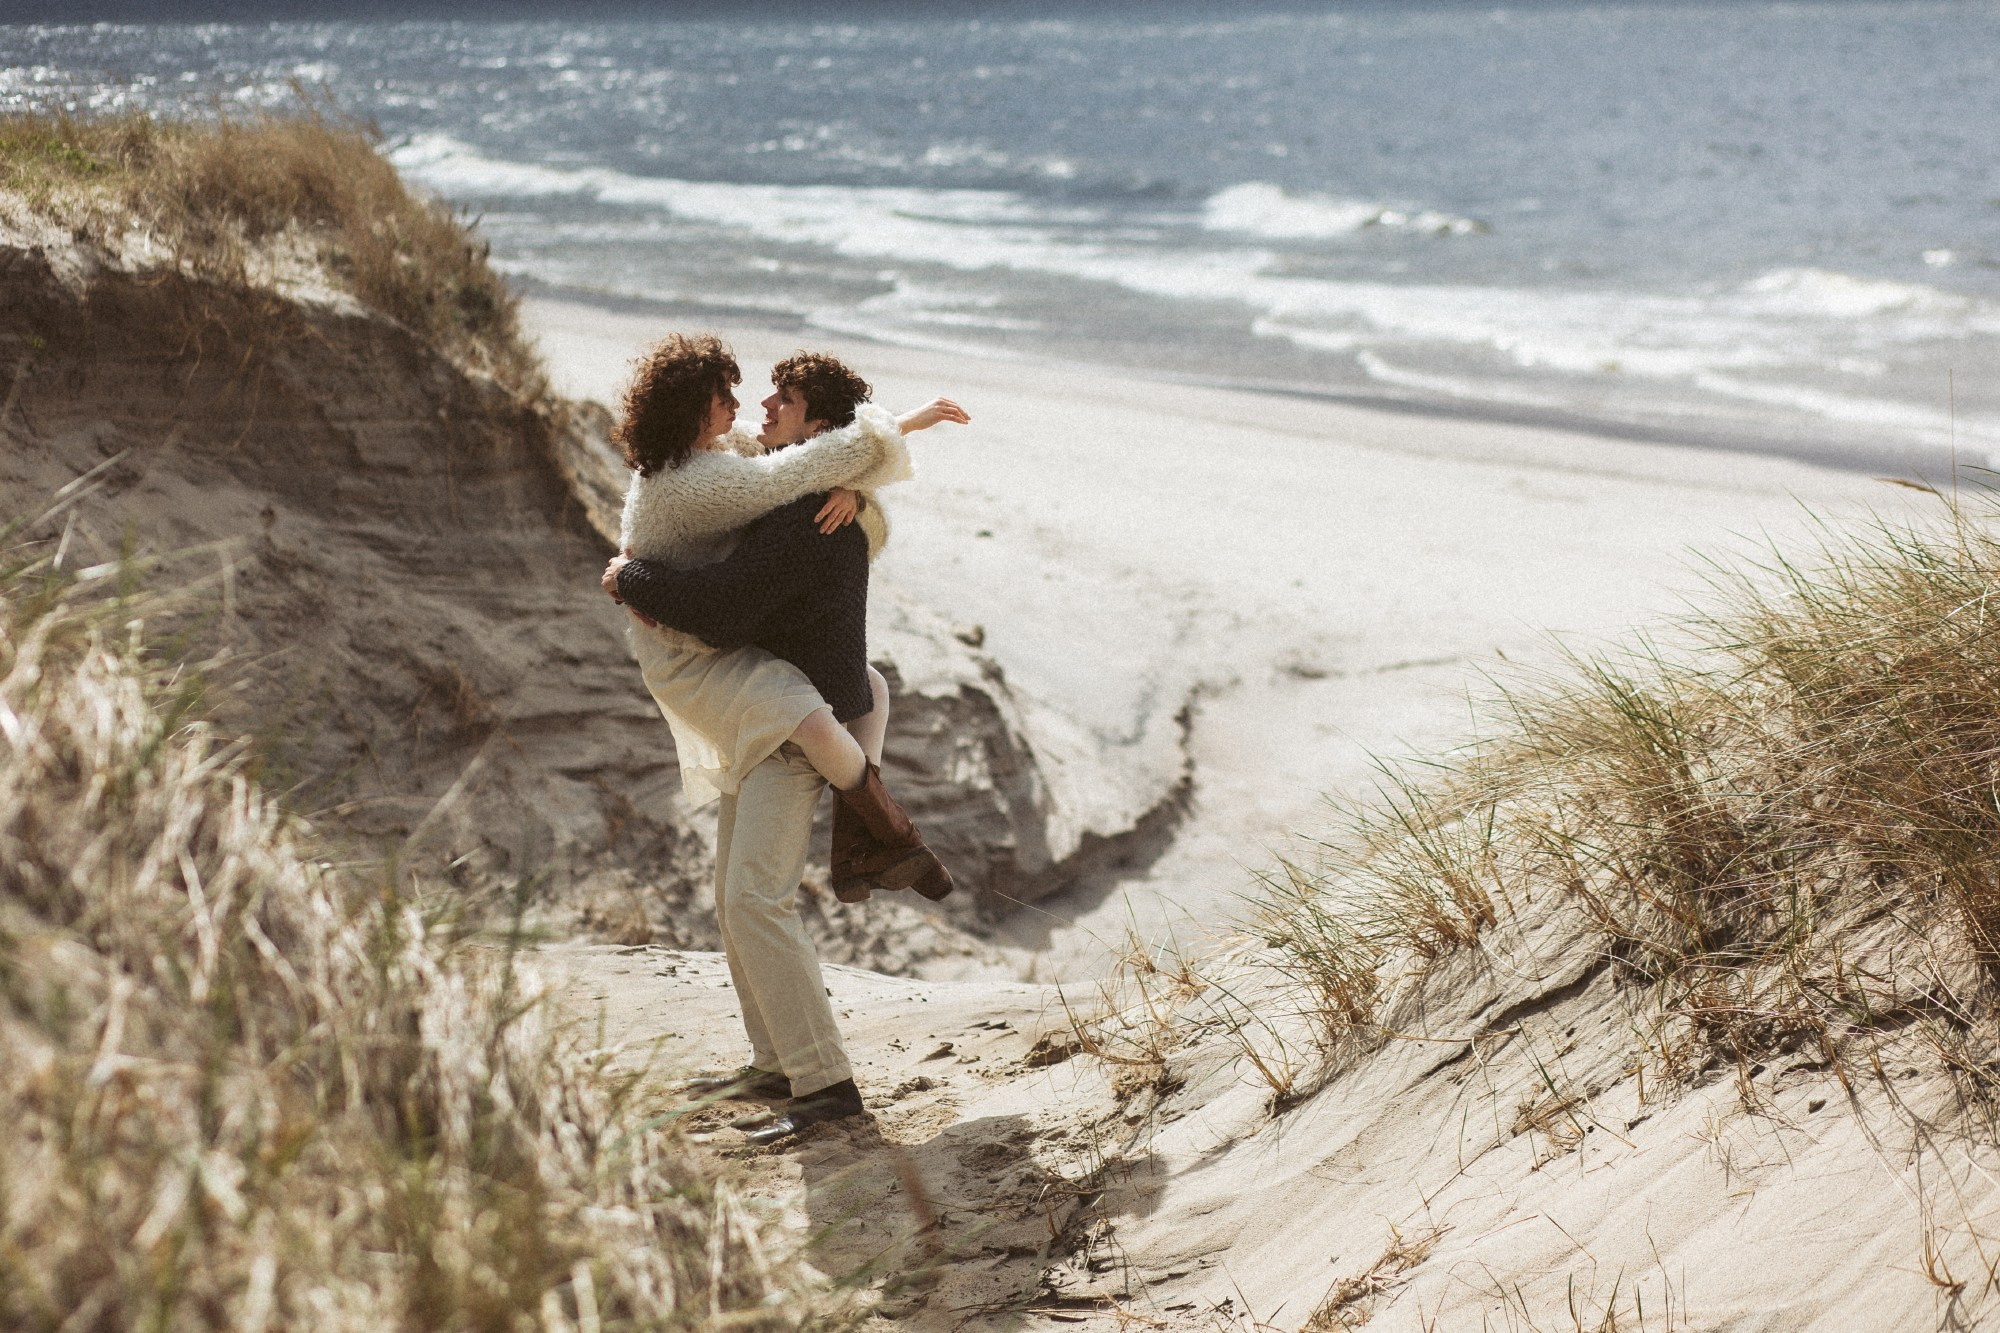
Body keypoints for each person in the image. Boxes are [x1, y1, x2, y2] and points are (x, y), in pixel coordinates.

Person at [603, 340, 968, 1143]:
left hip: (787, 718)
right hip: (759, 707)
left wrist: (629, 576)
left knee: (753, 898)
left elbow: (729, 603)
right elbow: (795, 478)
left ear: (821, 429)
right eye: (744, 397)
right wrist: (860, 481)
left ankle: (826, 1083)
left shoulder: (808, 516)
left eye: (782, 402)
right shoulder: (792, 496)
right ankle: (776, 1062)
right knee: (736, 899)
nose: (757, 409)